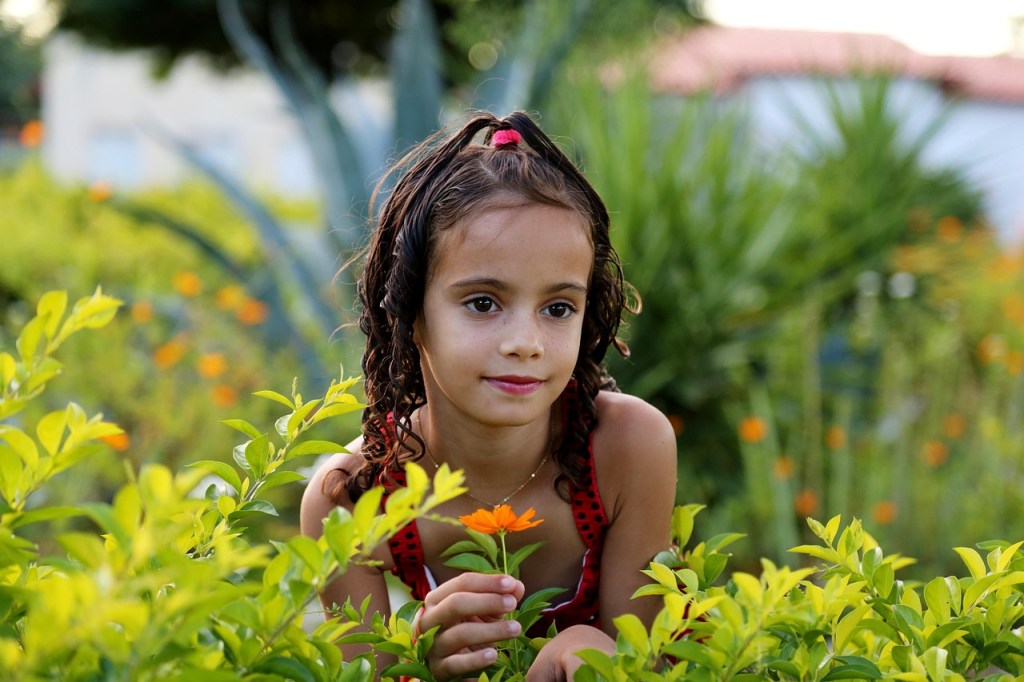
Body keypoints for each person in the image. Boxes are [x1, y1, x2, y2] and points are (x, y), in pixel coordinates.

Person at [301, 111, 677, 681]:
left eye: (558, 308)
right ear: (411, 313)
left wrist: (586, 647)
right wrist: (418, 667)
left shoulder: (628, 450)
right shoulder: (352, 501)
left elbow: (655, 667)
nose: (525, 343)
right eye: (482, 302)